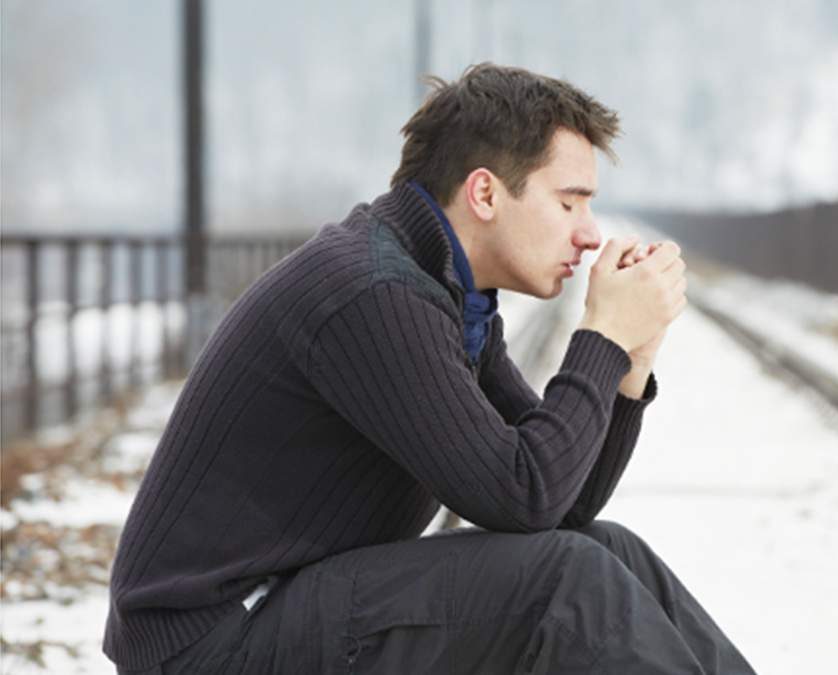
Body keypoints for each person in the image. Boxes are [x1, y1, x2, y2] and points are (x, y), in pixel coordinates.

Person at [103, 62, 756, 674]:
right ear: (484, 193)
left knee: (610, 549)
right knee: (565, 582)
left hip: (288, 600)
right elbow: (522, 495)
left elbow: (566, 500)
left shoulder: (446, 295)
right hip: (213, 636)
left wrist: (629, 363)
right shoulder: (372, 293)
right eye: (568, 202)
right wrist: (601, 333)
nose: (588, 233)